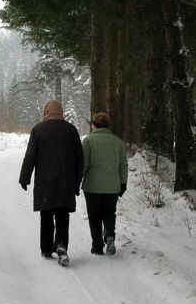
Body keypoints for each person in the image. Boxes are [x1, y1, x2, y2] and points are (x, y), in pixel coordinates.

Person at [19, 100, 83, 267]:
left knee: (46, 215)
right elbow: (79, 159)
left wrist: (24, 178)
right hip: (65, 183)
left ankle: (47, 248)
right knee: (62, 215)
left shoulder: (38, 130)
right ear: (60, 112)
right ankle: (61, 245)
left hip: (45, 183)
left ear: (46, 112)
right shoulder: (71, 130)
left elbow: (30, 156)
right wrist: (77, 182)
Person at [81, 112, 128, 255]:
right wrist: (123, 183)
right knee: (109, 213)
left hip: (92, 187)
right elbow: (123, 165)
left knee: (94, 216)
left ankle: (97, 246)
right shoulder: (118, 142)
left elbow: (84, 164)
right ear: (108, 125)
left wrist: (78, 179)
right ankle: (109, 236)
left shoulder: (88, 141)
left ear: (94, 125)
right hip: (112, 187)